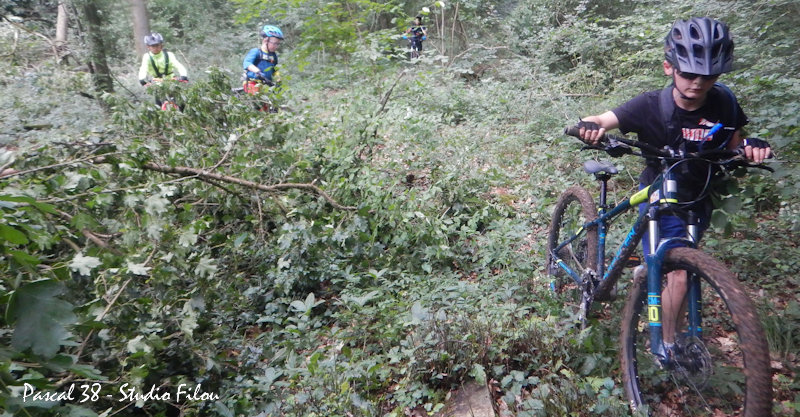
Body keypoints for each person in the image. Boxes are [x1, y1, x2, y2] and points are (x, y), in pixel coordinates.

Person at [574, 17, 771, 352]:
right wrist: (589, 127)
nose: (698, 83)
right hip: (662, 192)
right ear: (669, 67)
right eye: (688, 73)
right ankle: (667, 348)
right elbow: (603, 119)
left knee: (684, 268)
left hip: (700, 196)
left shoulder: (724, 102)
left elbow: (733, 143)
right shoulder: (650, 105)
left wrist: (749, 149)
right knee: (678, 271)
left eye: (708, 76)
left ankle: (650, 280)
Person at [138, 32, 189, 108]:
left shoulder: (169, 55)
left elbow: (178, 65)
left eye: (157, 45)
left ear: (161, 45)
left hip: (171, 81)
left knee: (181, 103)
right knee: (158, 104)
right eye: (153, 46)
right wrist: (142, 79)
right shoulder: (147, 57)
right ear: (148, 47)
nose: (156, 48)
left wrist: (183, 75)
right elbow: (143, 69)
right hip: (157, 83)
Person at [242, 25, 283, 94]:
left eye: (278, 44)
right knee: (257, 102)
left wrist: (278, 78)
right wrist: (258, 72)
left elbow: (275, 69)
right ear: (265, 40)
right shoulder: (256, 52)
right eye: (275, 43)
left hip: (266, 85)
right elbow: (247, 63)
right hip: (252, 83)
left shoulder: (273, 55)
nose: (276, 46)